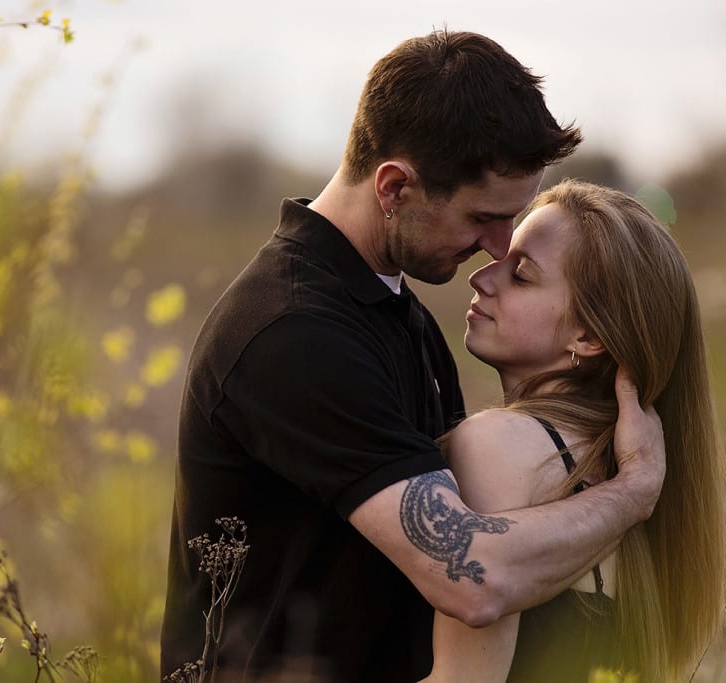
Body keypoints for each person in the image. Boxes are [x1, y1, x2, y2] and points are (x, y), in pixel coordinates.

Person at [161, 30, 666, 683]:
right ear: (395, 187)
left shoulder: (402, 317)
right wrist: (635, 489)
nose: (497, 246)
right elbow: (475, 581)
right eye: (483, 217)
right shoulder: (294, 335)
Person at [424, 180, 726, 682]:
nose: (481, 278)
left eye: (520, 275)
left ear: (587, 337)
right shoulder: (622, 464)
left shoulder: (500, 446)